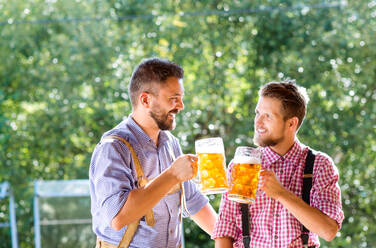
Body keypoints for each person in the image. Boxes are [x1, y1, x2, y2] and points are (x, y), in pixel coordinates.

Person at [89, 58, 217, 248]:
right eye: (173, 99)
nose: (180, 106)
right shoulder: (114, 147)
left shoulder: (171, 143)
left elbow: (194, 202)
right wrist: (172, 175)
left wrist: (231, 238)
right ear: (146, 100)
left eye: (181, 98)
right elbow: (117, 216)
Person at [212, 80, 344, 247]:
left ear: (291, 123)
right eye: (257, 113)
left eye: (267, 116)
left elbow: (328, 231)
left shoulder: (319, 165)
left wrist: (281, 193)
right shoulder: (241, 165)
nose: (258, 122)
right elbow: (225, 232)